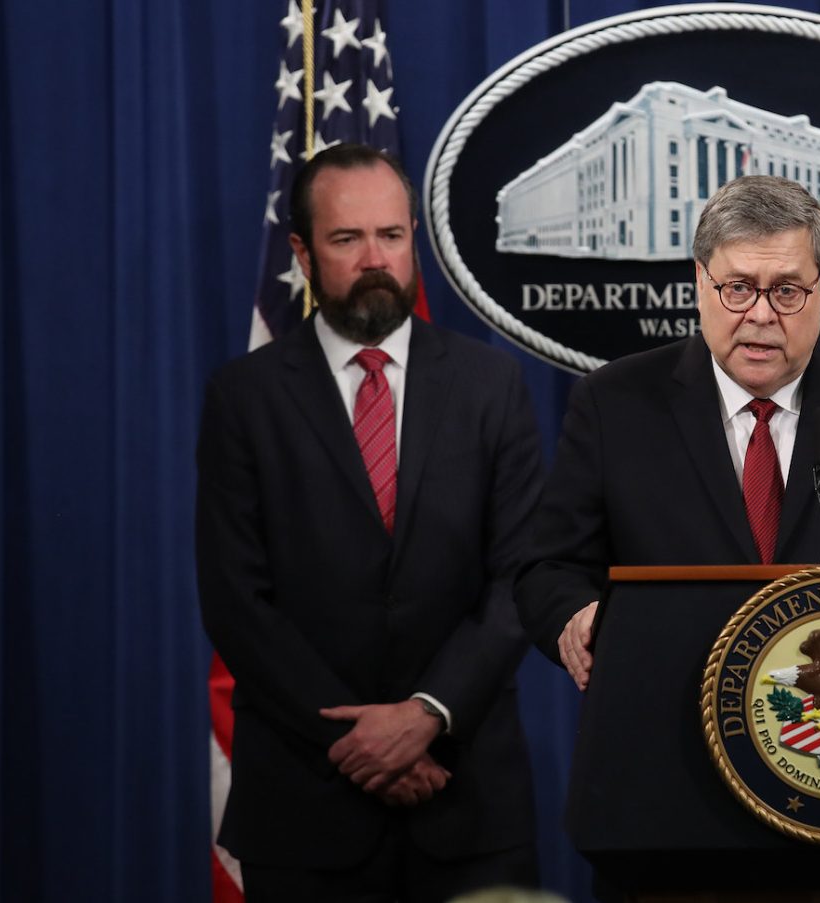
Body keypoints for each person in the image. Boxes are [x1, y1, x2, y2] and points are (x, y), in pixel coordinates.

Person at [196, 144, 541, 901]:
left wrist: (427, 714)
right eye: (346, 239)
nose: (374, 258)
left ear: (414, 237)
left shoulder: (491, 386)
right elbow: (236, 600)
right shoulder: (243, 398)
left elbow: (520, 578)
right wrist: (360, 742)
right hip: (306, 802)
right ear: (303, 251)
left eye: (390, 234)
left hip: (468, 796)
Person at [516, 174, 820, 690]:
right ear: (700, 280)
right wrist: (575, 618)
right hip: (665, 714)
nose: (760, 315)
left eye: (787, 290)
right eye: (738, 288)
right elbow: (549, 568)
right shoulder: (614, 403)